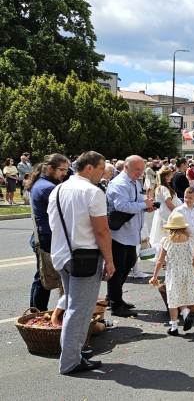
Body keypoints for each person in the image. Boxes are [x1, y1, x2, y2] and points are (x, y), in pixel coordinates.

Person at [48, 151, 115, 374]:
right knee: (80, 309)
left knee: (73, 306)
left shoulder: (57, 189)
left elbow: (53, 224)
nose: (104, 171)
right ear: (89, 168)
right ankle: (70, 360)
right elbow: (101, 230)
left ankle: (74, 351)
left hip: (61, 254)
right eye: (101, 167)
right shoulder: (92, 192)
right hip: (84, 257)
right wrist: (109, 260)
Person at [105, 156, 154, 318]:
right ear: (126, 167)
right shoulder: (120, 183)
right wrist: (143, 205)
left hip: (129, 233)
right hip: (119, 234)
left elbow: (137, 200)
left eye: (141, 170)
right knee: (119, 269)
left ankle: (114, 297)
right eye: (136, 170)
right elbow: (121, 206)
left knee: (128, 264)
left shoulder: (133, 182)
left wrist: (146, 206)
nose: (139, 173)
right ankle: (115, 304)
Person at [29, 154, 71, 312]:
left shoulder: (43, 183)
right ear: (49, 168)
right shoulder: (48, 188)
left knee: (41, 277)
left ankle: (36, 311)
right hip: (47, 237)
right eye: (62, 170)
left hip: (43, 235)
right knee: (44, 279)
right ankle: (37, 312)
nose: (65, 173)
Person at [149, 212, 194, 336]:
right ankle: (186, 313)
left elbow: (161, 260)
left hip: (174, 272)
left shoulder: (168, 241)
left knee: (173, 299)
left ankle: (174, 327)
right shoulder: (190, 239)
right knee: (182, 294)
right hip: (187, 271)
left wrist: (154, 276)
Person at [150, 167, 178, 251]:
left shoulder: (159, 187)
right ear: (166, 176)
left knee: (163, 234)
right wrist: (177, 212)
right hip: (167, 213)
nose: (172, 177)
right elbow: (169, 203)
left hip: (163, 212)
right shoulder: (164, 188)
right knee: (167, 235)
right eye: (170, 175)